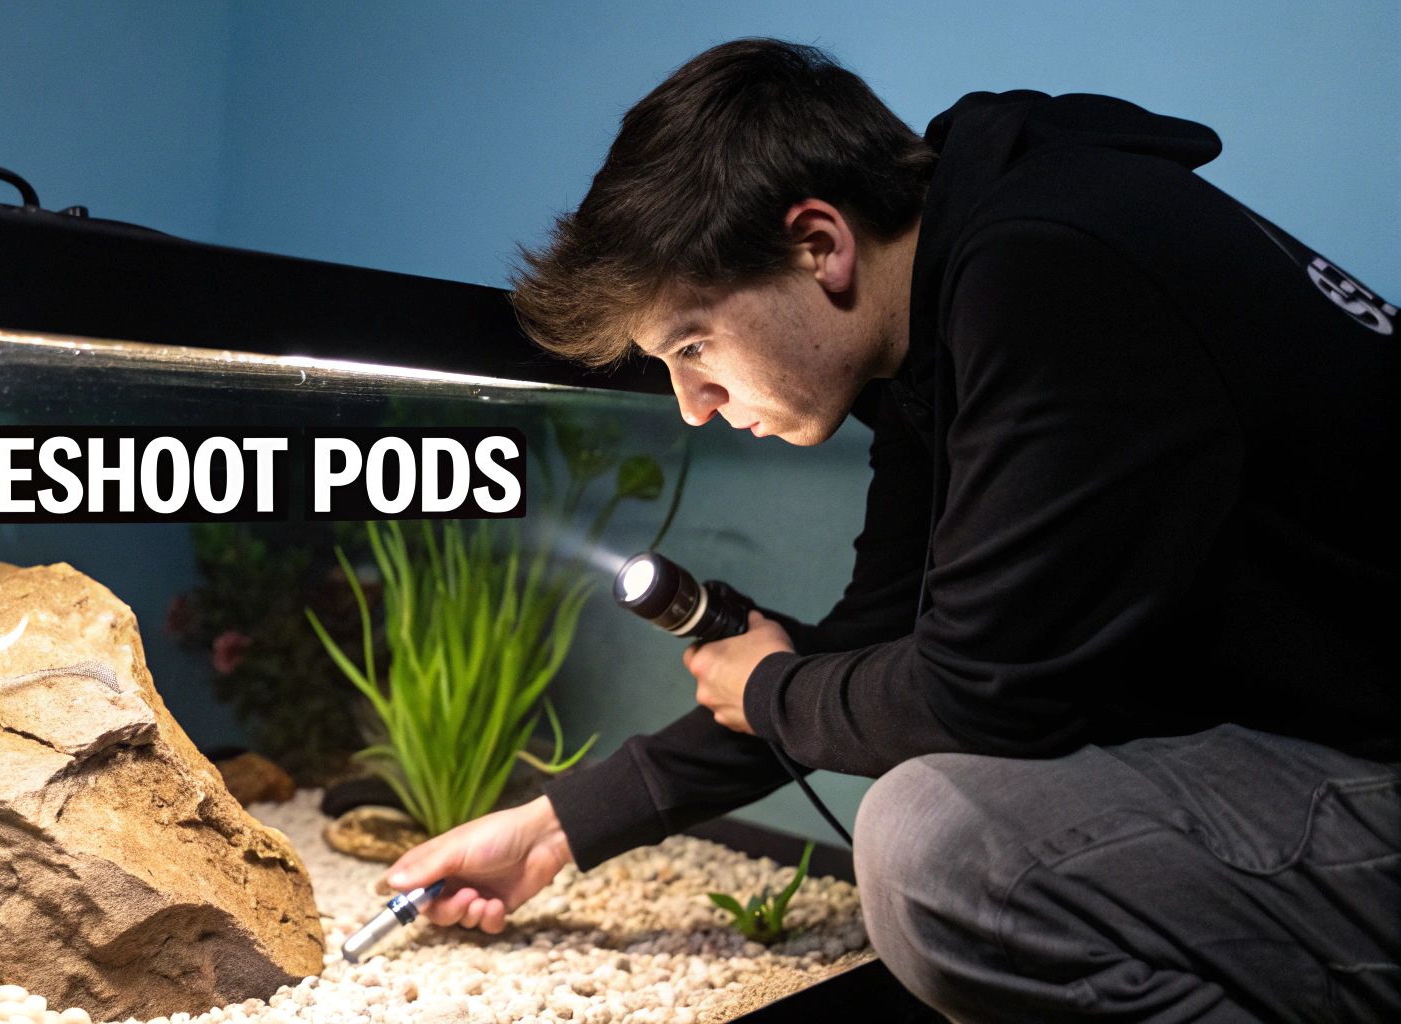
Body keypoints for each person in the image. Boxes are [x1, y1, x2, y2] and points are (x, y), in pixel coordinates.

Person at [380, 38, 1399, 1022]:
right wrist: (555, 829)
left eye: (693, 344)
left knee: (942, 847)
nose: (690, 403)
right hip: (1320, 755)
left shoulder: (1046, 265)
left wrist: (776, 689)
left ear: (817, 244)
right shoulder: (945, 315)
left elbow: (976, 693)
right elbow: (878, 639)